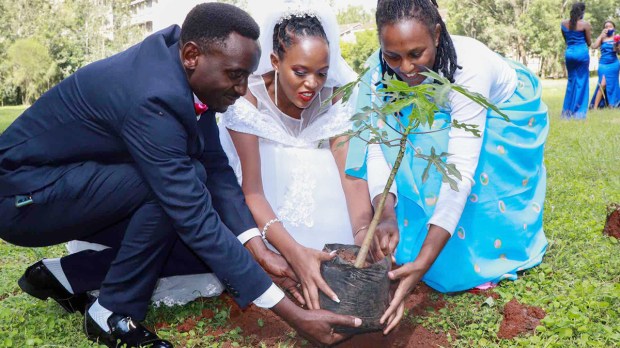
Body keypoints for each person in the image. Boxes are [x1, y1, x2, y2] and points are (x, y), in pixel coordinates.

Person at [0, 3, 362, 347]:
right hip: (25, 198)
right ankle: (111, 312)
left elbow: (218, 170)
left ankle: (63, 275)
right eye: (235, 76)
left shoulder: (185, 68)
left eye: (246, 77)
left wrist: (258, 250)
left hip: (86, 185)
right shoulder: (154, 97)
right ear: (192, 56)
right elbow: (192, 212)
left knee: (208, 251)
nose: (241, 90)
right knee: (179, 197)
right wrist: (293, 315)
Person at [345, 0, 549, 334]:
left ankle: (485, 248)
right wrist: (386, 214)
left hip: (502, 115)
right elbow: (382, 145)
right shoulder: (377, 72)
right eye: (392, 56)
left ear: (437, 34)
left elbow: (460, 171)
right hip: (439, 122)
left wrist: (423, 265)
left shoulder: (471, 68)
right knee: (423, 143)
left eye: (416, 53)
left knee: (450, 167)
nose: (406, 68)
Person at [218, 0, 400, 310]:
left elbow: (350, 175)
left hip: (324, 199)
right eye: (300, 72)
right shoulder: (246, 97)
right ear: (275, 61)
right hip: (262, 202)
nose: (312, 84)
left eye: (321, 73)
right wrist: (292, 252)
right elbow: (252, 191)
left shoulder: (336, 94)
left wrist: (360, 233)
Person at [560, 2, 592, 119]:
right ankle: (579, 113)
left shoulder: (563, 24)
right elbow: (588, 43)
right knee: (582, 81)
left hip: (570, 54)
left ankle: (567, 112)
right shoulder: (585, 25)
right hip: (581, 54)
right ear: (582, 12)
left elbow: (566, 40)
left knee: (571, 81)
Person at [590, 20, 620, 109]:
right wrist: (600, 36)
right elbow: (594, 46)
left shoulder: (617, 37)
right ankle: (595, 107)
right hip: (603, 64)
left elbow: (618, 52)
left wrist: (617, 46)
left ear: (614, 28)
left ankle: (612, 104)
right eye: (606, 27)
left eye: (610, 26)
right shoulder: (602, 38)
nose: (608, 28)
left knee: (613, 84)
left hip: (614, 64)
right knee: (602, 83)